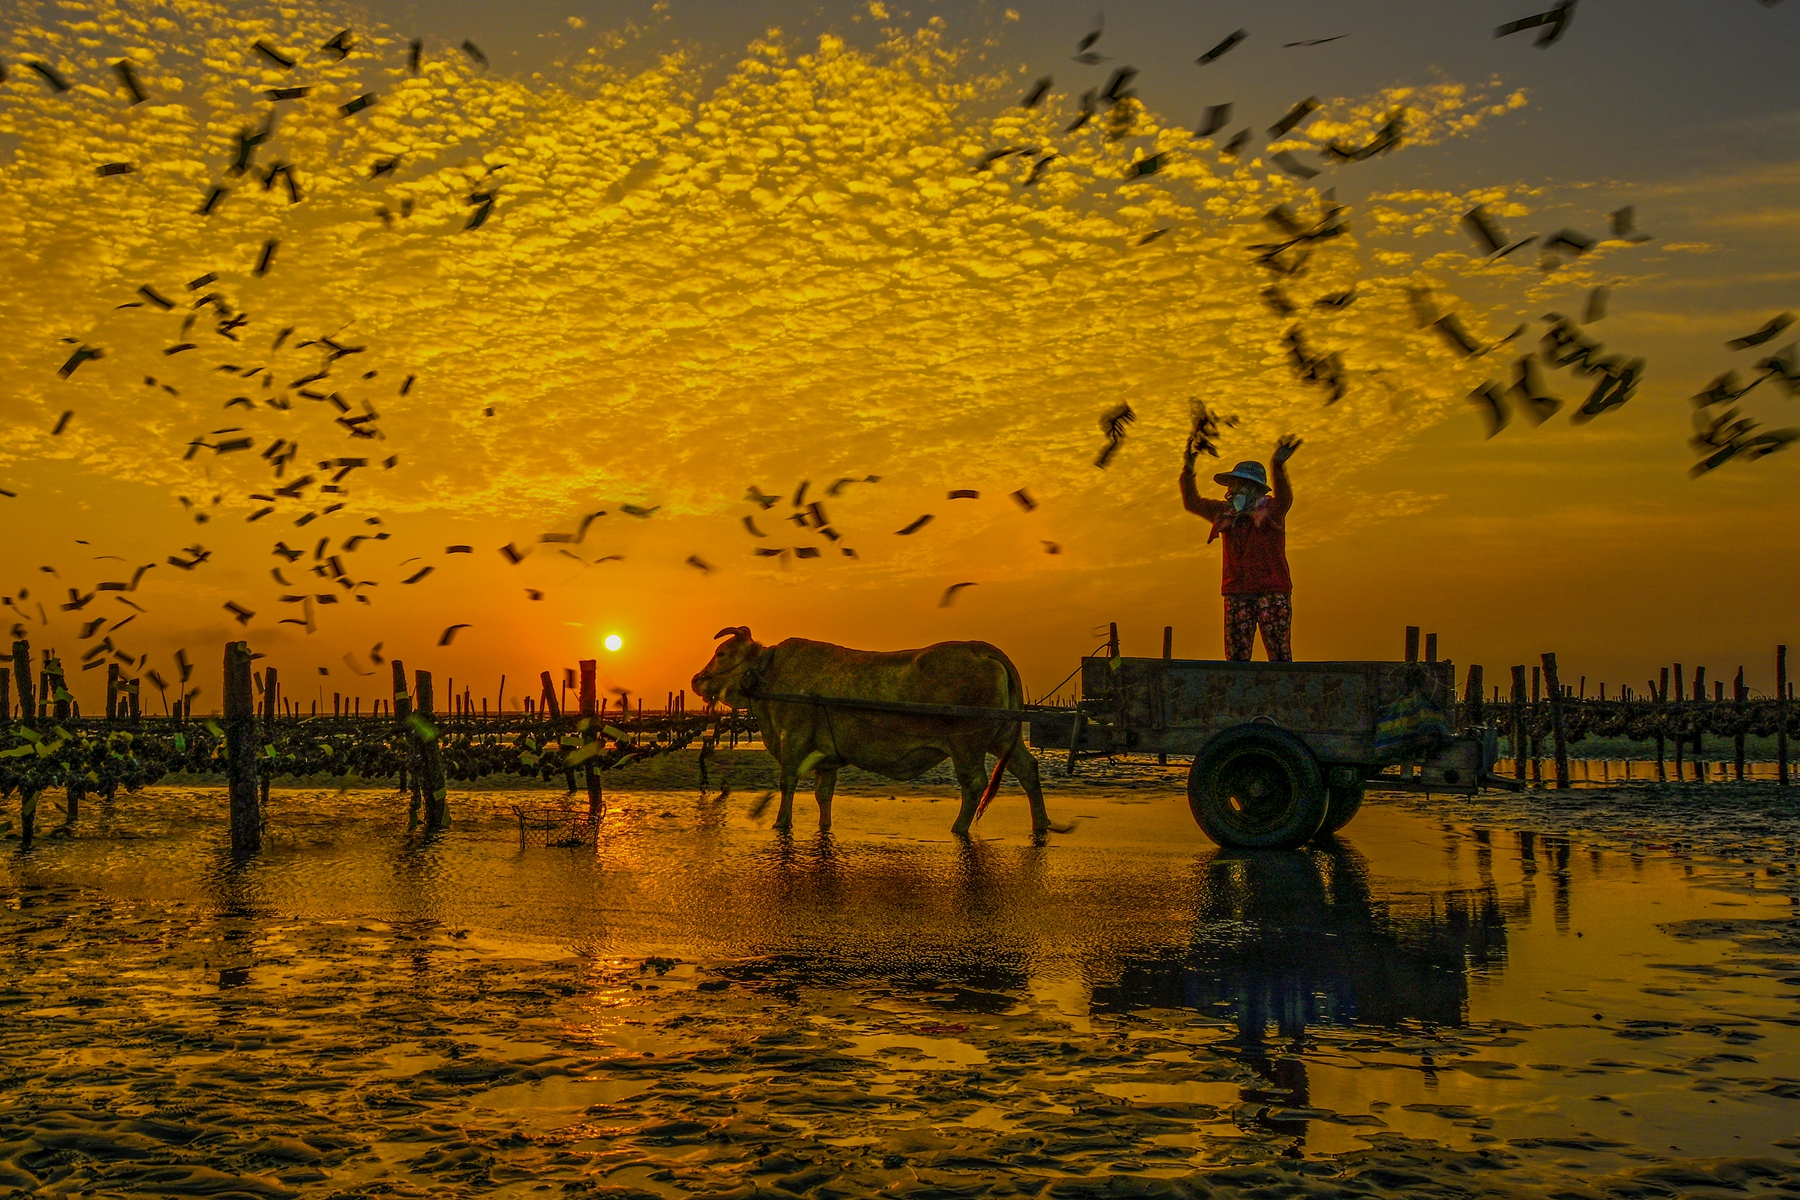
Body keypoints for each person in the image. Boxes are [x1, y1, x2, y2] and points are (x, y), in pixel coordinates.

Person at [1179, 434, 1302, 662]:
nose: (1234, 490)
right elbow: (1192, 502)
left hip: (1272, 591)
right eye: (1234, 485)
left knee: (1280, 657)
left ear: (1255, 489)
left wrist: (1278, 465)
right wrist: (1188, 470)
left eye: (1240, 485)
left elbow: (1285, 497)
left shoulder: (1272, 510)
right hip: (1237, 592)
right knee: (1236, 659)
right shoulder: (1224, 513)